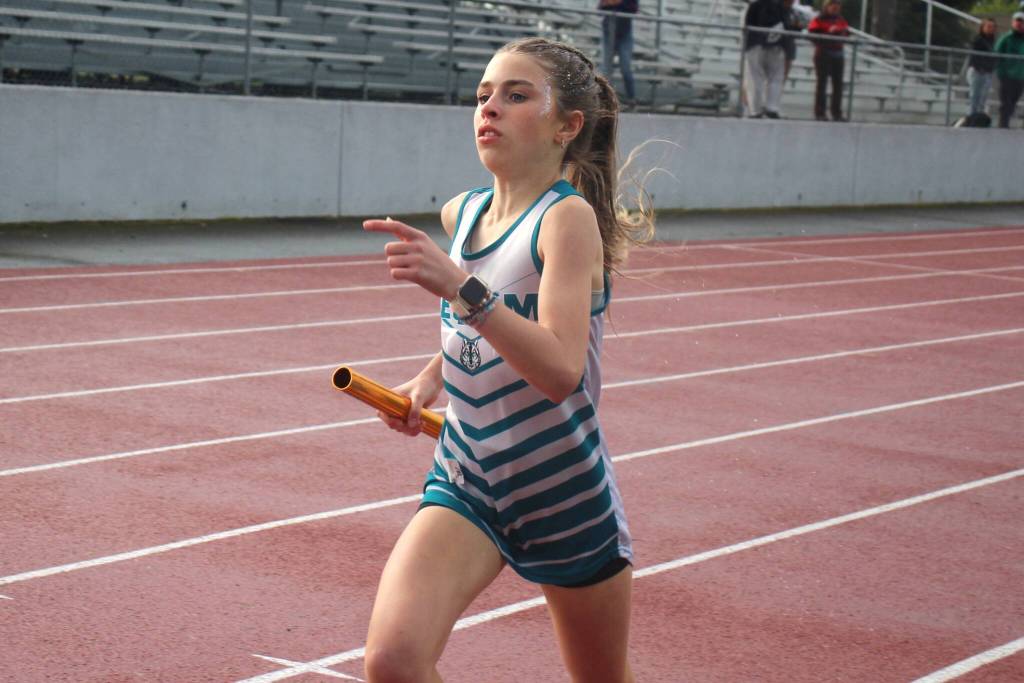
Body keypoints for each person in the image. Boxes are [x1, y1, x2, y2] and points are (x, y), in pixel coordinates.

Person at [360, 36, 652, 683]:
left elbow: (558, 370)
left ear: (566, 127)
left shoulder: (566, 222)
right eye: (483, 95)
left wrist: (459, 287)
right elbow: (471, 329)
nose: (489, 108)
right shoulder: (462, 214)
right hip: (470, 477)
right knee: (393, 659)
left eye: (516, 96)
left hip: (562, 492)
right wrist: (428, 380)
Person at [743, 0, 789, 118]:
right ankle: (771, 108)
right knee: (775, 78)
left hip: (755, 44)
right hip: (776, 45)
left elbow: (747, 25)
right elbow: (786, 26)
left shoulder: (754, 5)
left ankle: (756, 110)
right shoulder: (780, 6)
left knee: (754, 78)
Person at [807, 0, 850, 122]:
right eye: (833, 4)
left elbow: (846, 33)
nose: (835, 7)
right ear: (827, 6)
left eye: (838, 4)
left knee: (838, 85)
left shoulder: (841, 20)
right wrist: (828, 33)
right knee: (822, 83)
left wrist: (841, 33)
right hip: (823, 54)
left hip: (838, 54)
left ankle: (836, 113)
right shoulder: (818, 19)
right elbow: (812, 34)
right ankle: (820, 112)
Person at [599, 0, 638, 110]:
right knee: (606, 68)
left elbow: (633, 7)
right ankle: (605, 100)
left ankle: (631, 99)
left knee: (626, 68)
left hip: (624, 34)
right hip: (609, 31)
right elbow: (601, 8)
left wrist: (614, 3)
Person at [996, 12, 1024, 128]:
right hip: (1007, 76)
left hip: (1020, 76)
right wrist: (1002, 71)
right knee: (1006, 102)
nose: (1019, 24)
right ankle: (1003, 125)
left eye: (1021, 22)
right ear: (1013, 22)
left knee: (1014, 101)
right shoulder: (1006, 38)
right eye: (1017, 21)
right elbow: (996, 53)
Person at [966, 18, 998, 119]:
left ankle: (979, 118)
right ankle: (971, 117)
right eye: (988, 26)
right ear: (982, 27)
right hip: (977, 71)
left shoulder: (993, 41)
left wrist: (990, 68)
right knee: (974, 96)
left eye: (992, 27)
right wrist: (980, 68)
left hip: (987, 72)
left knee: (983, 97)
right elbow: (974, 56)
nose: (991, 29)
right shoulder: (977, 39)